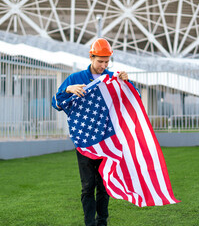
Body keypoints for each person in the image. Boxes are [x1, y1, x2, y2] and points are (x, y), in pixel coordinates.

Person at [52, 38, 137, 226]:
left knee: (104, 186)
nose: (104, 65)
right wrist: (67, 89)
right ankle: (89, 223)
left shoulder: (114, 79)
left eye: (107, 61)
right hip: (84, 141)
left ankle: (102, 222)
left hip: (107, 141)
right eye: (100, 61)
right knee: (87, 186)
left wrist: (127, 82)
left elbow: (134, 99)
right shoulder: (75, 79)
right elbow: (56, 102)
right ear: (91, 57)